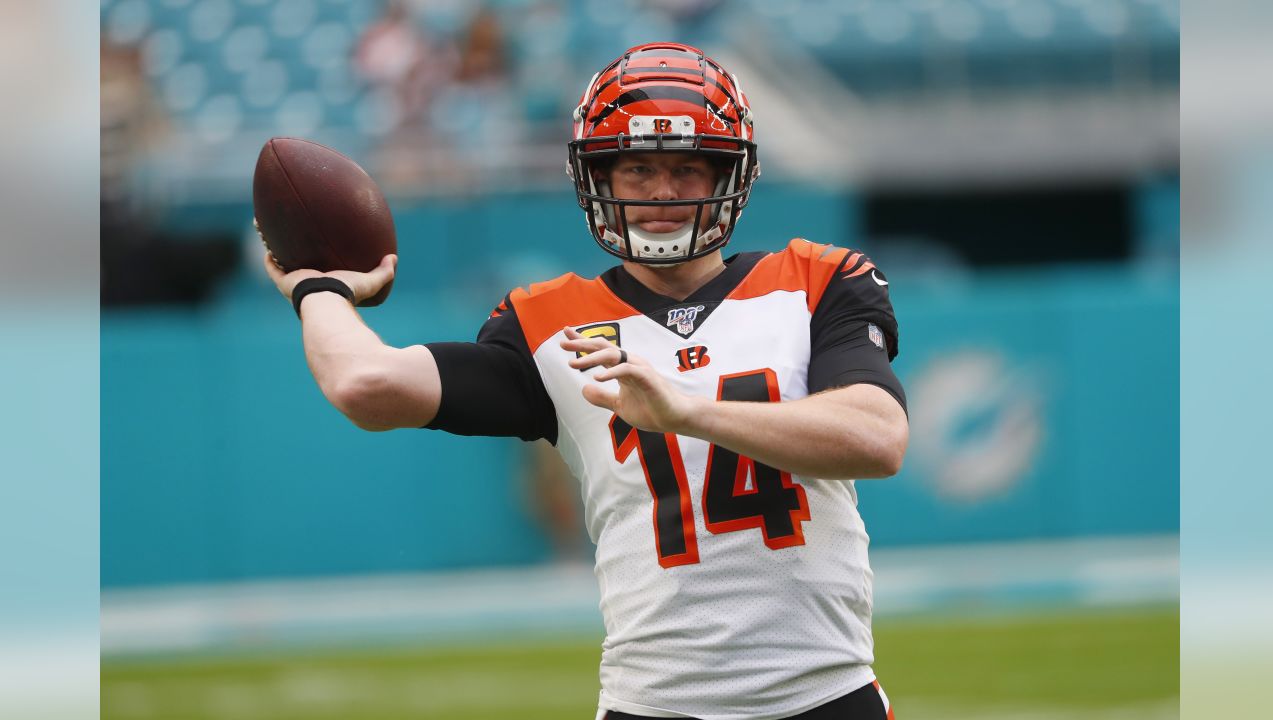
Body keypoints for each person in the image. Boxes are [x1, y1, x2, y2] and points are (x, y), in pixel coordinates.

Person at [264, 42, 907, 720]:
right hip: (653, 704)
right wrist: (320, 289)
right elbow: (363, 385)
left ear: (732, 172)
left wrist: (688, 412)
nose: (663, 192)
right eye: (637, 168)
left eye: (688, 168)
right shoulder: (548, 322)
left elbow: (877, 437)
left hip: (827, 696)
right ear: (598, 178)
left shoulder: (815, 281)